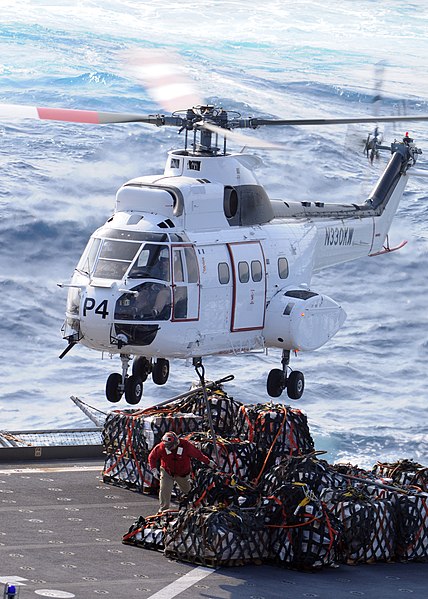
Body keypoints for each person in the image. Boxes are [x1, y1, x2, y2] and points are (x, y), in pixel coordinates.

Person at [148, 431, 215, 512]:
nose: (170, 448)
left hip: (183, 473)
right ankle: (163, 509)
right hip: (167, 471)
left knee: (188, 491)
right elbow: (152, 457)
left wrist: (209, 462)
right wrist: (154, 469)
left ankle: (193, 507)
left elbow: (198, 455)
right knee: (164, 489)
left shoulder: (186, 446)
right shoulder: (162, 447)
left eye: (171, 446)